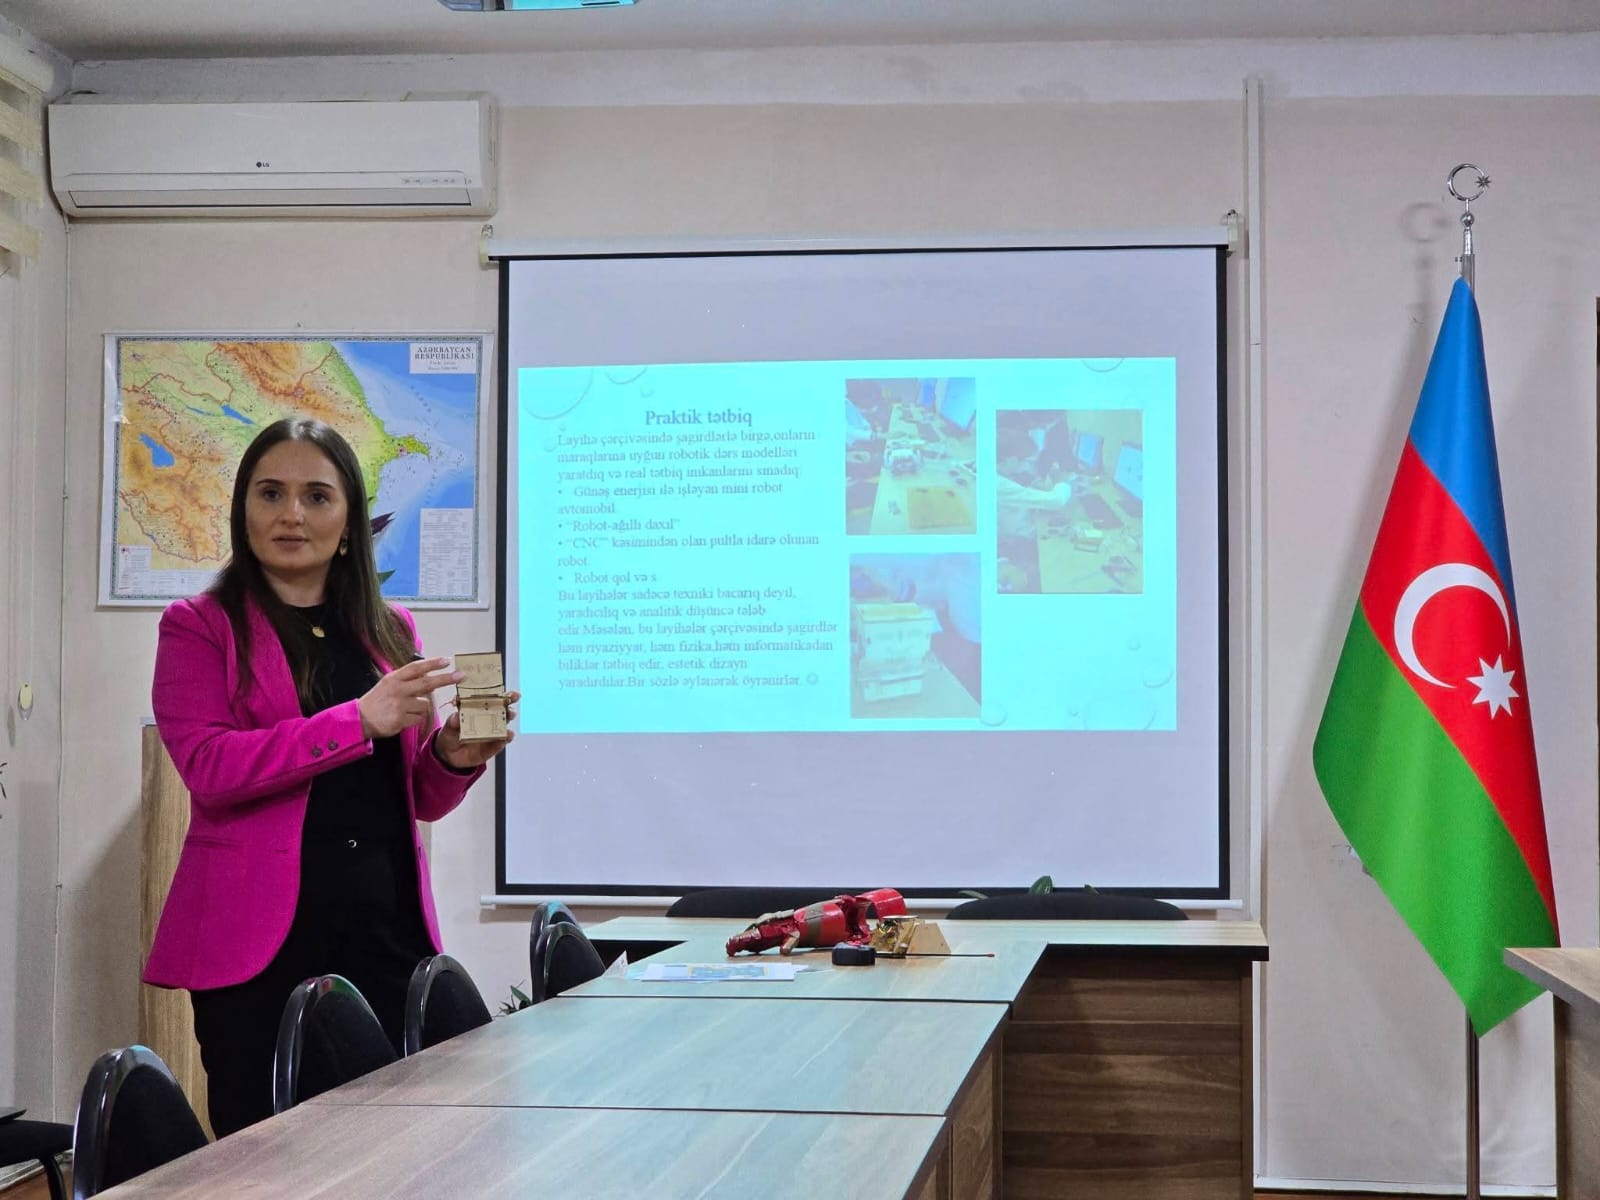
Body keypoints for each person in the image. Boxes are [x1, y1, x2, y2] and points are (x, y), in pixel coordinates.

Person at [143, 417, 517, 1136]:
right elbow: (209, 768)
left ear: (349, 523)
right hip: (260, 949)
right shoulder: (199, 626)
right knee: (265, 1157)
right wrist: (357, 721)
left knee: (397, 1150)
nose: (291, 514)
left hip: (387, 933)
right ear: (243, 511)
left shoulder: (391, 630)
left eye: (316, 496)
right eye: (270, 493)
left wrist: (453, 756)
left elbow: (412, 799)